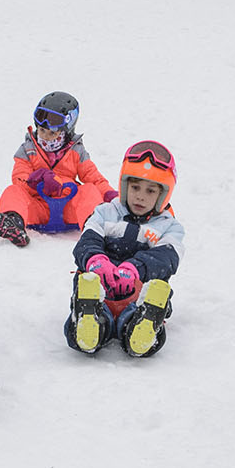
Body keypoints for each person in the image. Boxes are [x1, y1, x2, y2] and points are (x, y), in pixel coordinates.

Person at [65, 140, 182, 359]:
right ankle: (89, 319)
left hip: (138, 293)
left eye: (150, 191)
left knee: (153, 292)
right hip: (101, 288)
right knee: (87, 284)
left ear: (163, 195)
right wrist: (96, 260)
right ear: (124, 185)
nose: (140, 196)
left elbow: (168, 257)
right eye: (135, 187)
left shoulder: (169, 226)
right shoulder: (104, 212)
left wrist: (136, 268)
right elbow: (87, 239)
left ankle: (144, 322)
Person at [0, 92, 114, 245]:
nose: (45, 137)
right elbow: (19, 178)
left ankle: (94, 227)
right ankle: (13, 221)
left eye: (52, 133)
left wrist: (110, 195)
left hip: (69, 208)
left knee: (89, 190)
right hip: (39, 207)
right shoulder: (27, 151)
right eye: (42, 130)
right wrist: (34, 180)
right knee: (12, 191)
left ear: (66, 133)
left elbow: (93, 177)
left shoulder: (77, 152)